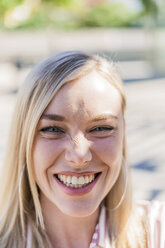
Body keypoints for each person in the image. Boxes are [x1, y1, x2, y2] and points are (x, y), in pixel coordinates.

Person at [0, 51, 164, 248]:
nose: (79, 156)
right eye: (52, 129)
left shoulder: (157, 231)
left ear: (122, 135)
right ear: (23, 138)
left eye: (101, 128)